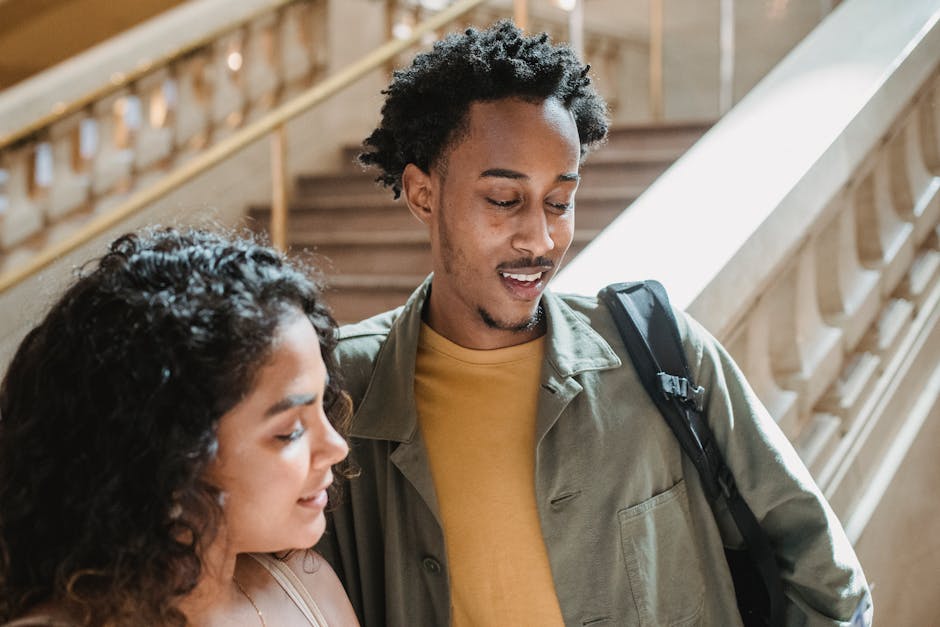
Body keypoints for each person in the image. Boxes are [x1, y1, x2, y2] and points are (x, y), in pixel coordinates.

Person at [316, 20, 873, 627]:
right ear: (423, 194)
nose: (541, 238)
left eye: (560, 202)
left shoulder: (654, 347)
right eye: (504, 201)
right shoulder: (340, 391)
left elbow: (827, 582)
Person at [0, 227, 359, 626]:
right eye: (290, 430)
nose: (335, 446)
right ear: (170, 451)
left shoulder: (310, 588)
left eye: (322, 405)